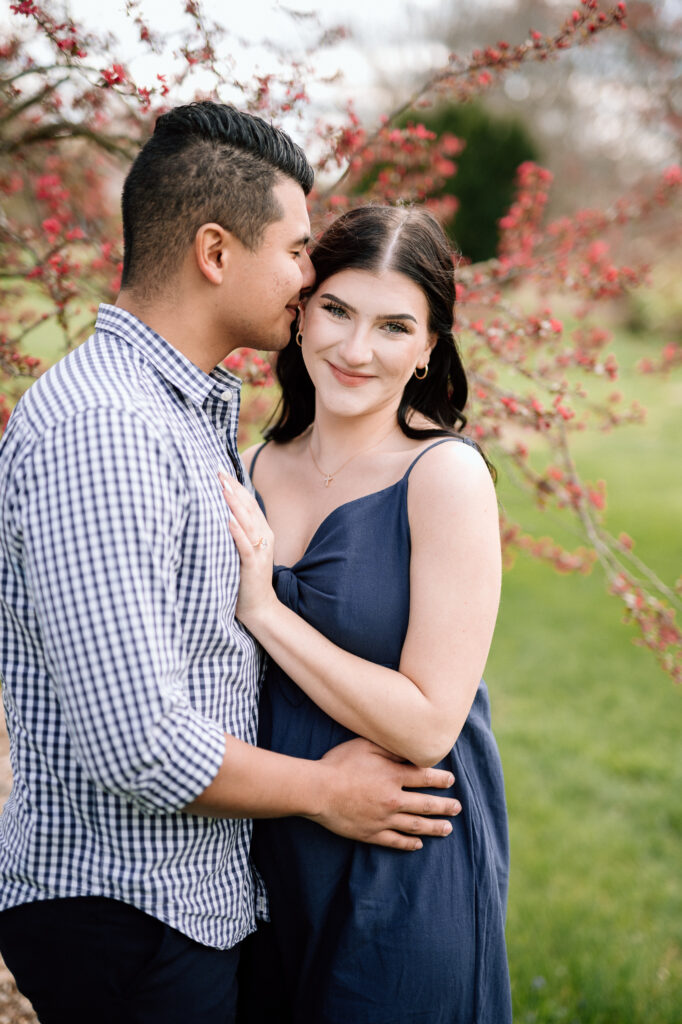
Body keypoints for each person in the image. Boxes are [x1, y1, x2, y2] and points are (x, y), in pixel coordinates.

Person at [0, 104, 460, 1024]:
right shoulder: (108, 430)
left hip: (186, 902)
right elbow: (140, 741)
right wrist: (332, 793)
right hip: (128, 909)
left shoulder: (185, 414)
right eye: (296, 252)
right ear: (216, 253)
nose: (307, 276)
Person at [220, 204, 512, 1023]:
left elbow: (426, 726)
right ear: (301, 311)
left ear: (427, 350)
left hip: (404, 858)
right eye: (338, 310)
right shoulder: (247, 467)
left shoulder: (445, 477)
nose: (354, 350)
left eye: (394, 326)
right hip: (268, 850)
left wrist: (265, 610)